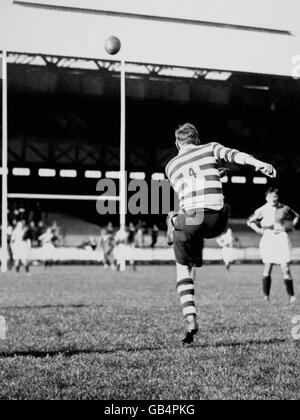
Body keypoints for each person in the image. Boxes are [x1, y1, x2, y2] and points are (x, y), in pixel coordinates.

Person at [165, 123, 276, 344]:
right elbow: (235, 155)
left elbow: (189, 186)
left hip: (191, 220)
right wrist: (258, 163)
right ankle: (181, 229)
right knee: (221, 208)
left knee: (182, 265)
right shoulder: (209, 148)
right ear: (197, 140)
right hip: (217, 218)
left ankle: (190, 316)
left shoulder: (170, 166)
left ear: (177, 143)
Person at [247, 188, 299, 303]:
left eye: (274, 196)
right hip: (268, 237)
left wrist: (288, 228)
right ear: (266, 198)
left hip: (281, 237)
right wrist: (259, 230)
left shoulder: (285, 208)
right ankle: (266, 296)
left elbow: (296, 217)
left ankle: (292, 296)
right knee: (268, 266)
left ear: (278, 197)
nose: (272, 199)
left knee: (285, 267)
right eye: (270, 197)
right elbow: (249, 221)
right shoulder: (262, 209)